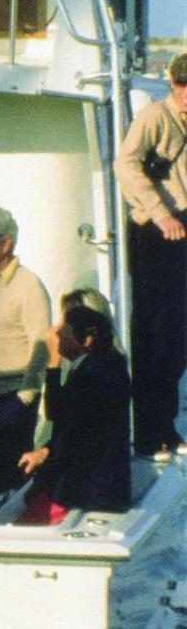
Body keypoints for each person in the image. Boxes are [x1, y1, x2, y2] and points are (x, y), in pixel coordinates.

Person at [114, 52, 187, 456]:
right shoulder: (154, 117)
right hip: (156, 234)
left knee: (177, 338)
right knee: (154, 336)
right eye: (181, 84)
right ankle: (147, 431)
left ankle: (166, 425)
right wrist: (161, 215)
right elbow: (125, 164)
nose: (186, 92)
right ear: (173, 84)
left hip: (181, 229)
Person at [0, 205, 51, 522]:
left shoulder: (28, 285)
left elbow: (41, 344)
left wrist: (26, 396)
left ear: (6, 243)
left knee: (9, 484)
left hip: (12, 398)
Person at [17, 305, 131, 522]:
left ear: (87, 339)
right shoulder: (95, 366)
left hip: (90, 490)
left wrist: (53, 364)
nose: (55, 334)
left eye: (63, 330)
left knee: (27, 523)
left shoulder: (97, 373)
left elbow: (62, 419)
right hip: (88, 484)